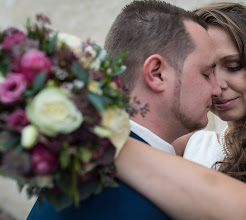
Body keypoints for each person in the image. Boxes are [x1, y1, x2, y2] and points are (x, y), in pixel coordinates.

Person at [114, 2, 246, 219]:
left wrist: (105, 139)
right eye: (206, 72)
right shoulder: (187, 145)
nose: (217, 87)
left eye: (233, 66)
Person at [27, 1, 221, 219]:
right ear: (157, 74)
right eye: (206, 73)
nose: (217, 89)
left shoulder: (86, 159)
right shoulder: (133, 198)